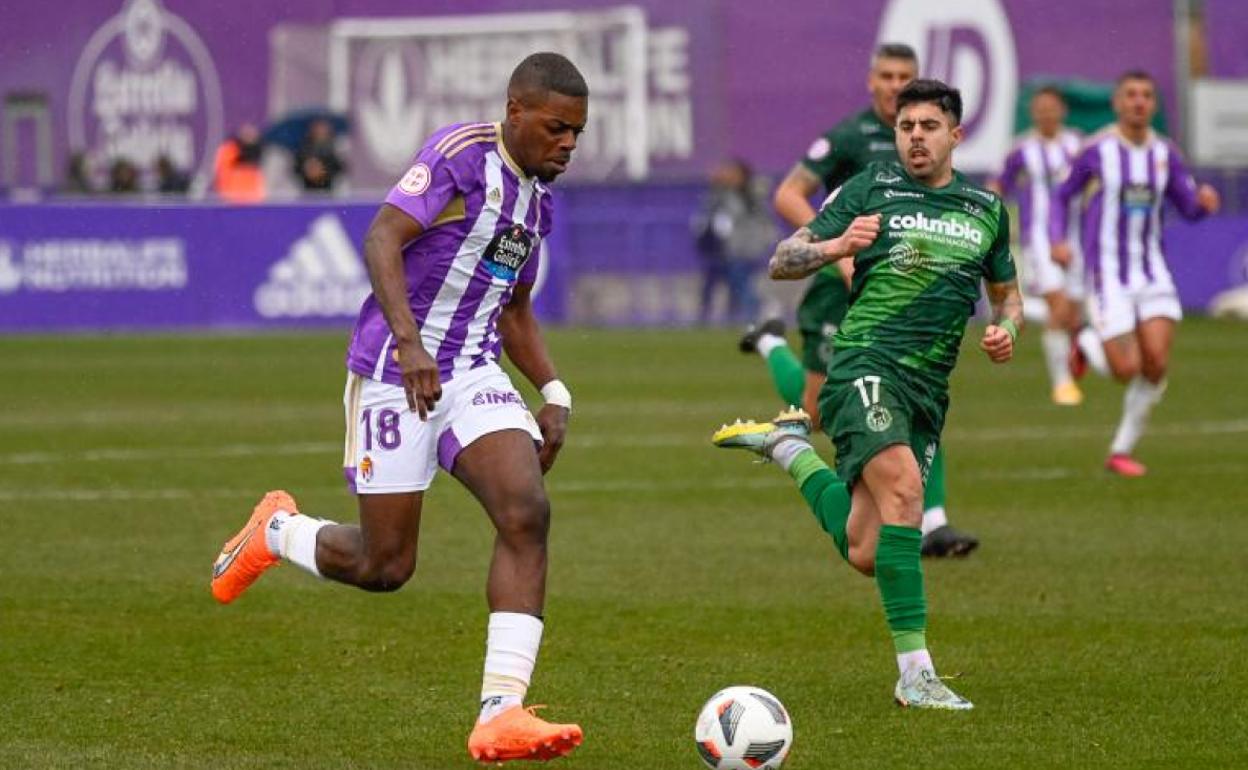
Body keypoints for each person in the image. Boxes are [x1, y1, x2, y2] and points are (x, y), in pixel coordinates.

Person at [210, 52, 588, 762]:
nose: (569, 144)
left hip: (473, 372)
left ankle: (500, 712)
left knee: (526, 511)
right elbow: (383, 235)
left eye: (577, 133)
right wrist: (411, 346)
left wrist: (555, 390)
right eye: (557, 128)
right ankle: (277, 531)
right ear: (516, 113)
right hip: (396, 370)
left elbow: (514, 309)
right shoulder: (459, 158)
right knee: (386, 565)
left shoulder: (538, 202)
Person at [714, 79, 1023, 710]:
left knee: (867, 550)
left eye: (928, 126)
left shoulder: (985, 210)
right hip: (864, 365)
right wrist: (835, 244)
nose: (915, 137)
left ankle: (788, 452)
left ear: (955, 135)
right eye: (907, 126)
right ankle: (916, 674)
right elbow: (783, 259)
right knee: (907, 490)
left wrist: (1007, 327)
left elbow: (1007, 293)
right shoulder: (870, 188)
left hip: (929, 388)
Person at [744, 42, 978, 558]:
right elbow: (788, 193)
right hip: (840, 282)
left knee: (915, 386)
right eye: (887, 76)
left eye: (905, 77)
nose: (896, 86)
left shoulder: (922, 134)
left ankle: (932, 519)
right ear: (871, 81)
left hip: (900, 293)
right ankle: (769, 345)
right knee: (816, 410)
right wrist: (840, 255)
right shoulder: (850, 137)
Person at [1050, 70, 1220, 477]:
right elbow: (1062, 194)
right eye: (1131, 95)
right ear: (1117, 103)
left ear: (1154, 105)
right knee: (1126, 370)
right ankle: (1086, 342)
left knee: (1156, 365)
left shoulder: (1166, 153)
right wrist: (1058, 238)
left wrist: (1204, 204)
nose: (1139, 102)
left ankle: (1120, 450)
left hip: (1152, 272)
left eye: (1146, 95)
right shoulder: (1097, 150)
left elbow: (1188, 206)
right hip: (1108, 275)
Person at [988, 87, 1085, 406]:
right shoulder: (1022, 150)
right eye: (1040, 108)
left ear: (1062, 111)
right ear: (1033, 113)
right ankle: (1062, 385)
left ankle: (1018, 310)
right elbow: (999, 184)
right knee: (1059, 308)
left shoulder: (1078, 146)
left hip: (1077, 239)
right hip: (1039, 242)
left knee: (1073, 312)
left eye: (1052, 108)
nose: (1046, 114)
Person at [691, 158, 776, 323]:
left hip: (743, 249)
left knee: (741, 283)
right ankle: (712, 317)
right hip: (721, 249)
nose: (727, 175)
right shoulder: (721, 194)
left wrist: (761, 244)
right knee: (716, 283)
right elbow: (711, 215)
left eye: (732, 172)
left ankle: (750, 316)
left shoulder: (750, 196)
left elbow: (762, 223)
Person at [213, 123, 266, 203]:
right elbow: (222, 173)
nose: (250, 137)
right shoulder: (229, 149)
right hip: (232, 199)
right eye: (247, 134)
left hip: (253, 200)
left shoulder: (260, 153)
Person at [295, 117, 346, 192]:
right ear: (312, 129)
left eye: (323, 127)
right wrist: (306, 169)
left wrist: (323, 171)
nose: (321, 130)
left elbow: (340, 168)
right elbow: (296, 169)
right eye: (318, 127)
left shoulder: (336, 147)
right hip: (308, 193)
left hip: (329, 192)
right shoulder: (304, 148)